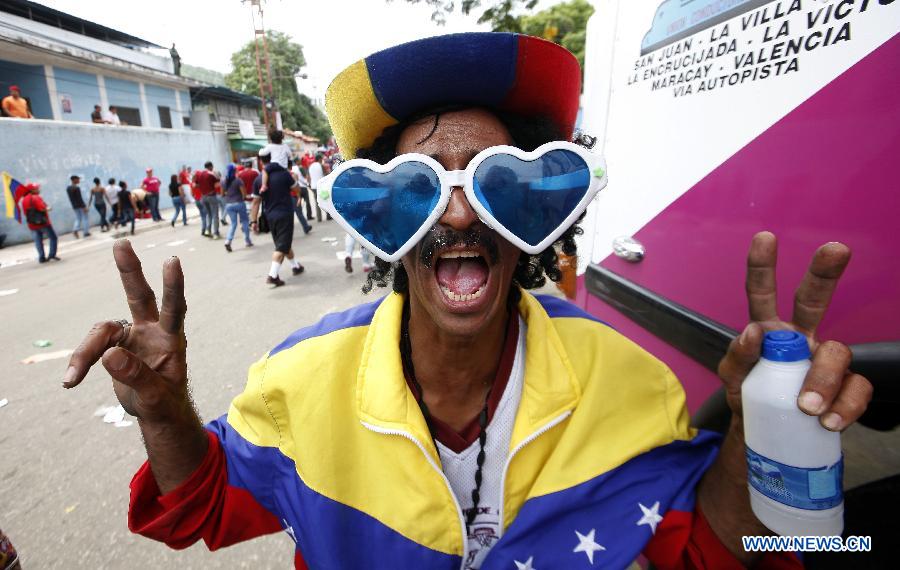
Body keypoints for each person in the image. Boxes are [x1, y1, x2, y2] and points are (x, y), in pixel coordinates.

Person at [62, 34, 872, 569]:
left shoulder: (629, 381)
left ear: (532, 222)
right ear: (383, 219)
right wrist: (164, 413)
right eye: (420, 188)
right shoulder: (300, 381)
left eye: (498, 183)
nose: (457, 214)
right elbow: (196, 509)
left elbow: (740, 554)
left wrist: (762, 432)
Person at [249, 149, 304, 285]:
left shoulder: (258, 180)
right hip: (285, 214)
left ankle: (295, 266)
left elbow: (255, 202)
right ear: (272, 158)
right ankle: (272, 276)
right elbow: (297, 189)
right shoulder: (284, 174)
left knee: (283, 243)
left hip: (270, 217)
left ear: (260, 161)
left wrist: (253, 221)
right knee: (281, 246)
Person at [20, 183, 59, 262]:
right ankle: (51, 255)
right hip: (43, 223)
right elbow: (42, 208)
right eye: (37, 188)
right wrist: (48, 208)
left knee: (38, 241)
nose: (38, 189)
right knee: (53, 238)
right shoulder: (36, 197)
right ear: (32, 190)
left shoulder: (23, 200)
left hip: (31, 224)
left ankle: (41, 257)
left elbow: (25, 212)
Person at [221, 164, 252, 252]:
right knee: (245, 221)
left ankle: (228, 241)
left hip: (229, 205)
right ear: (234, 171)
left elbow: (222, 194)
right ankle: (247, 240)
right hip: (239, 203)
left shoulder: (223, 181)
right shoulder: (238, 180)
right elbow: (244, 194)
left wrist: (229, 194)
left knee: (233, 224)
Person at [259, 129, 292, 194]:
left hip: (274, 165)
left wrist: (261, 149)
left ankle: (264, 185)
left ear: (271, 139)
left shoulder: (270, 146)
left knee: (264, 170)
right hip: (284, 167)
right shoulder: (285, 146)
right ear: (281, 139)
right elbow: (290, 155)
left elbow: (261, 153)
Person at [193, 161, 220, 238]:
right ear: (211, 166)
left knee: (209, 214)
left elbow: (195, 185)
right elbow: (217, 184)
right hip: (211, 196)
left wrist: (202, 187)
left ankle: (208, 230)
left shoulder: (199, 174)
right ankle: (216, 233)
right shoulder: (212, 174)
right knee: (215, 214)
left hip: (203, 197)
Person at [307, 152, 326, 221]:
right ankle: (329, 216)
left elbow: (308, 177)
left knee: (317, 202)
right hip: (321, 186)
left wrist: (309, 184)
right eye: (321, 158)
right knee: (326, 199)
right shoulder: (321, 165)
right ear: (319, 159)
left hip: (314, 186)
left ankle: (319, 218)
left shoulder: (310, 166)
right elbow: (326, 174)